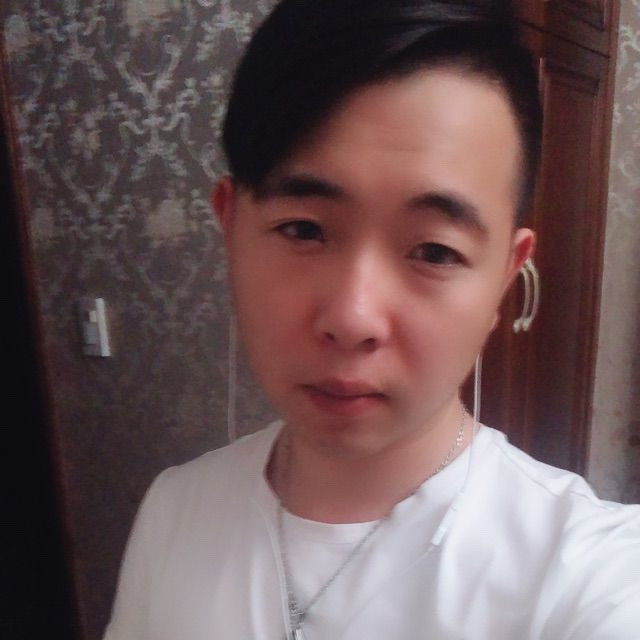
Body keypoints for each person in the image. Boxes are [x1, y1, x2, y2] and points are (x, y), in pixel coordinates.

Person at [104, 1, 640, 638]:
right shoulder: (174, 509)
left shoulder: (588, 573)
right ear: (231, 225)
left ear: (504, 274)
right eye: (303, 229)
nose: (353, 318)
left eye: (435, 251)